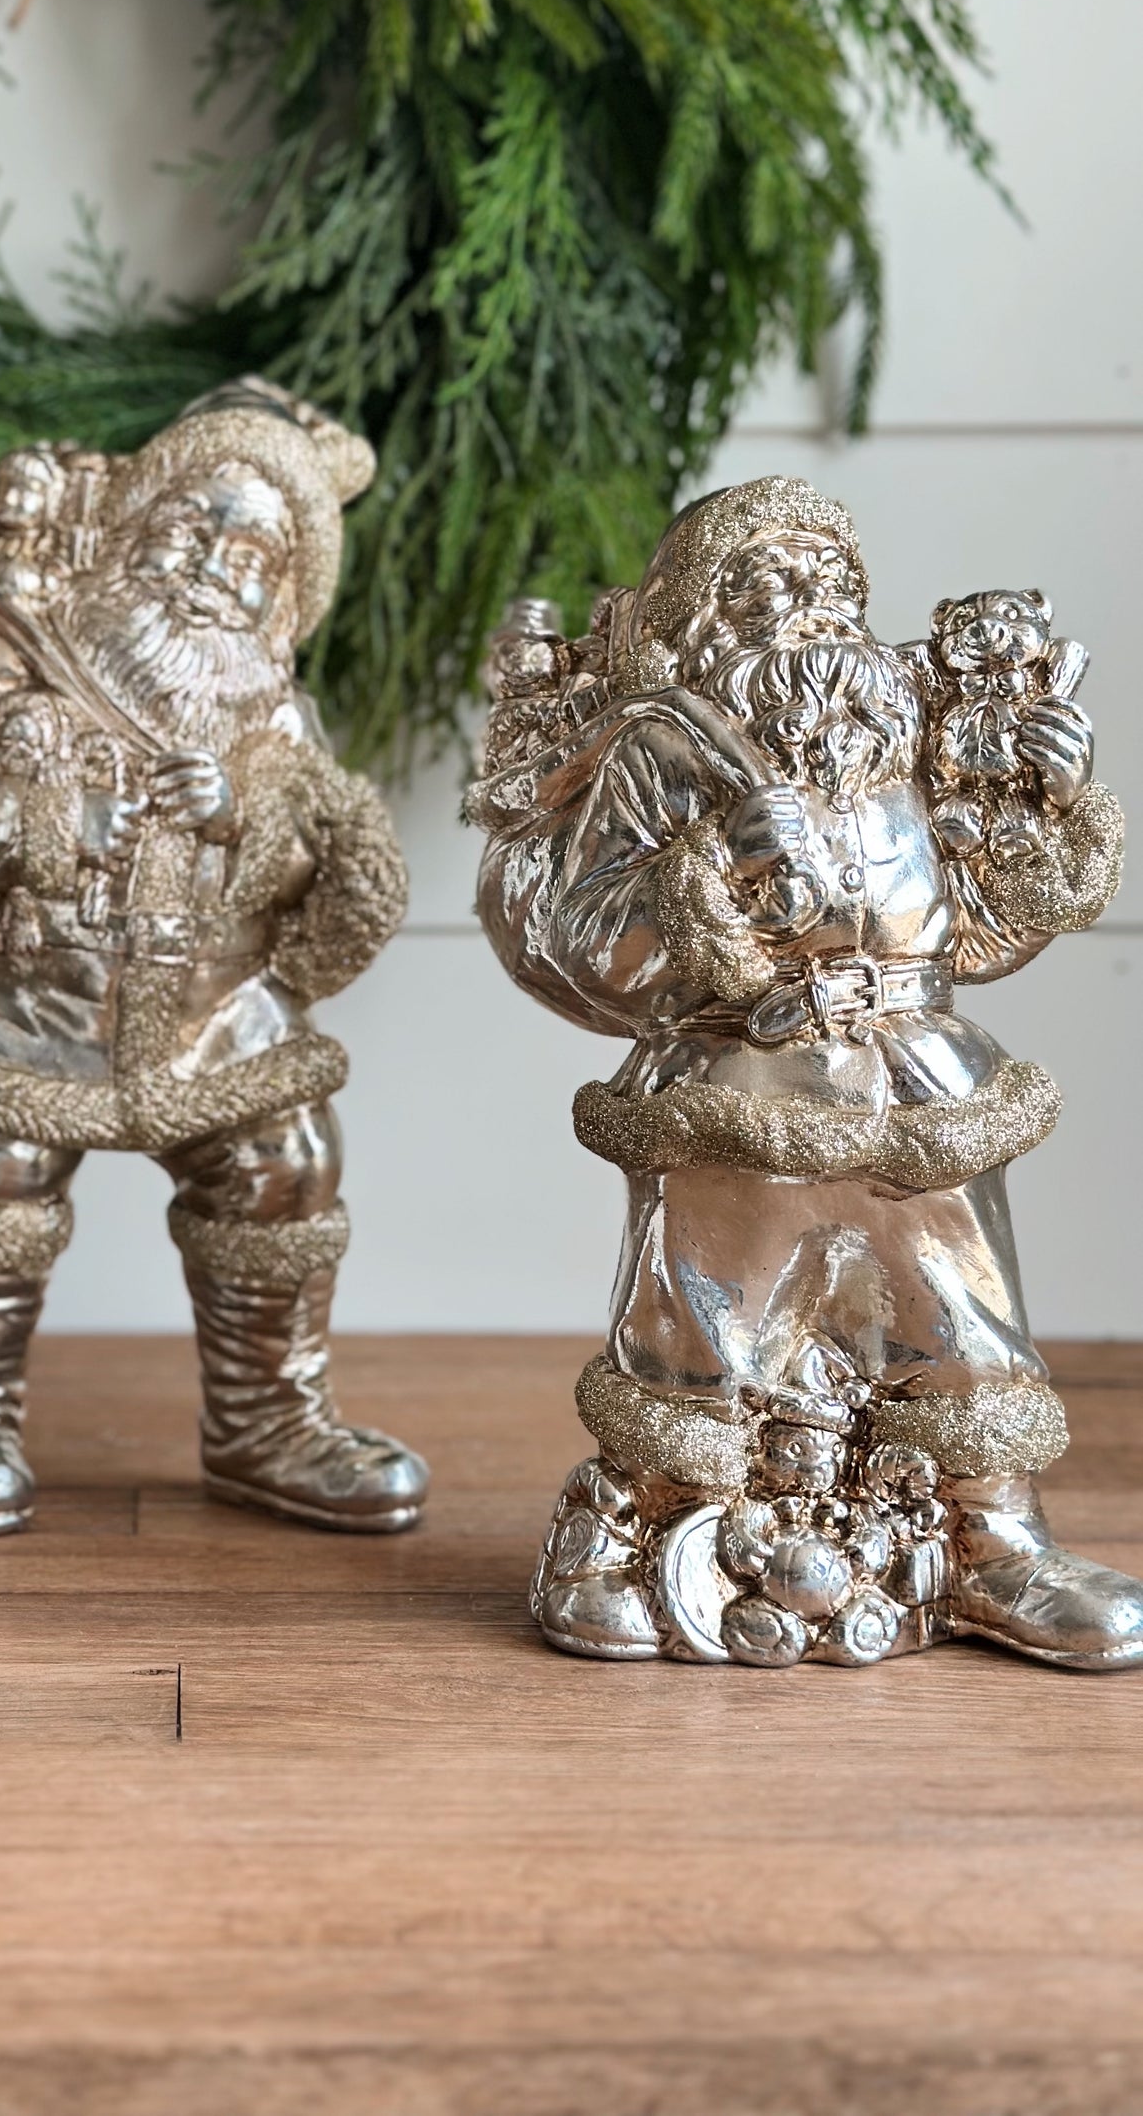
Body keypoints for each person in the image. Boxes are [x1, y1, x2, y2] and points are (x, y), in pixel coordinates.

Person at [471, 475, 1141, 1668]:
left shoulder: (904, 743)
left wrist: (1046, 806)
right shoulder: (663, 752)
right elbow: (586, 944)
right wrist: (702, 874)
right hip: (742, 1092)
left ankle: (991, 1543)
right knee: (701, 1334)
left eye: (831, 580)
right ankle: (651, 1533)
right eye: (767, 583)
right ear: (703, 620)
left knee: (960, 1321)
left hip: (915, 1089)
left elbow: (974, 931)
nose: (809, 600)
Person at [0, 382, 428, 1536]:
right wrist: (59, 825)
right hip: (26, 1006)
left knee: (282, 1168)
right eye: (189, 526)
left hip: (216, 1014)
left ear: (286, 596)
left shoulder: (273, 710)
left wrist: (238, 818)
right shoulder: (10, 648)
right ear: (131, 525)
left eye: (254, 557)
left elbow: (309, 855)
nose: (213, 569)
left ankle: (266, 1421)